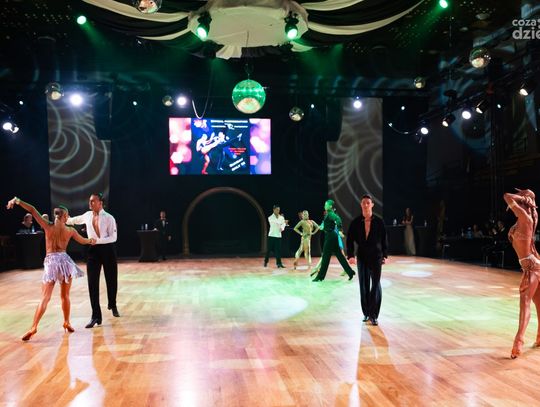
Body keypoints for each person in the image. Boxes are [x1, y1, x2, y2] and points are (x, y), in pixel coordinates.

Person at [6, 196, 96, 341]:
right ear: (65, 216)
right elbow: (83, 241)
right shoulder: (70, 230)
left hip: (51, 262)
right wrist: (91, 240)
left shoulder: (47, 226)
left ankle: (34, 327)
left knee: (45, 297)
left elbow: (32, 210)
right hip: (65, 262)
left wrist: (17, 201)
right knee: (65, 296)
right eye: (67, 216)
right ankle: (66, 322)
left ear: (55, 215)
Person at [66, 193, 120, 328]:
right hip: (93, 251)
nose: (90, 203)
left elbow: (113, 238)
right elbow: (74, 220)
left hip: (108, 249)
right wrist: (63, 218)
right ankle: (96, 316)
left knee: (111, 279)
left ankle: (112, 304)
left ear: (100, 203)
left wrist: (97, 241)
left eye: (93, 201)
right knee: (92, 283)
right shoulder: (87, 215)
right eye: (89, 201)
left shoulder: (109, 218)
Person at [503, 188, 540, 358]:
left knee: (525, 303)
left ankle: (518, 342)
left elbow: (506, 196)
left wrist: (522, 198)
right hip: (533, 264)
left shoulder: (525, 217)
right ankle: (539, 337)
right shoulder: (528, 218)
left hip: (532, 267)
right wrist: (525, 198)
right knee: (538, 303)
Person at [347, 194, 388, 326]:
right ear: (361, 205)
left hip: (376, 257)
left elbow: (384, 239)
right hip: (362, 257)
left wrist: (385, 255)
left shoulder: (379, 222)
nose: (365, 205)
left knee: (375, 285)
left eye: (368, 203)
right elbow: (349, 239)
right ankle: (366, 312)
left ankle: (374, 315)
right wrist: (350, 255)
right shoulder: (355, 222)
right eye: (363, 203)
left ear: (372, 205)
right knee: (363, 286)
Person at [312, 200, 355, 282]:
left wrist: (340, 229)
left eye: (326, 205)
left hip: (330, 237)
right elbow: (324, 227)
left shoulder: (331, 214)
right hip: (332, 236)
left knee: (325, 256)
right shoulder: (328, 214)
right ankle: (350, 272)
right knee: (339, 255)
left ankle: (320, 277)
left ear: (330, 206)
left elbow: (338, 219)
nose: (324, 206)